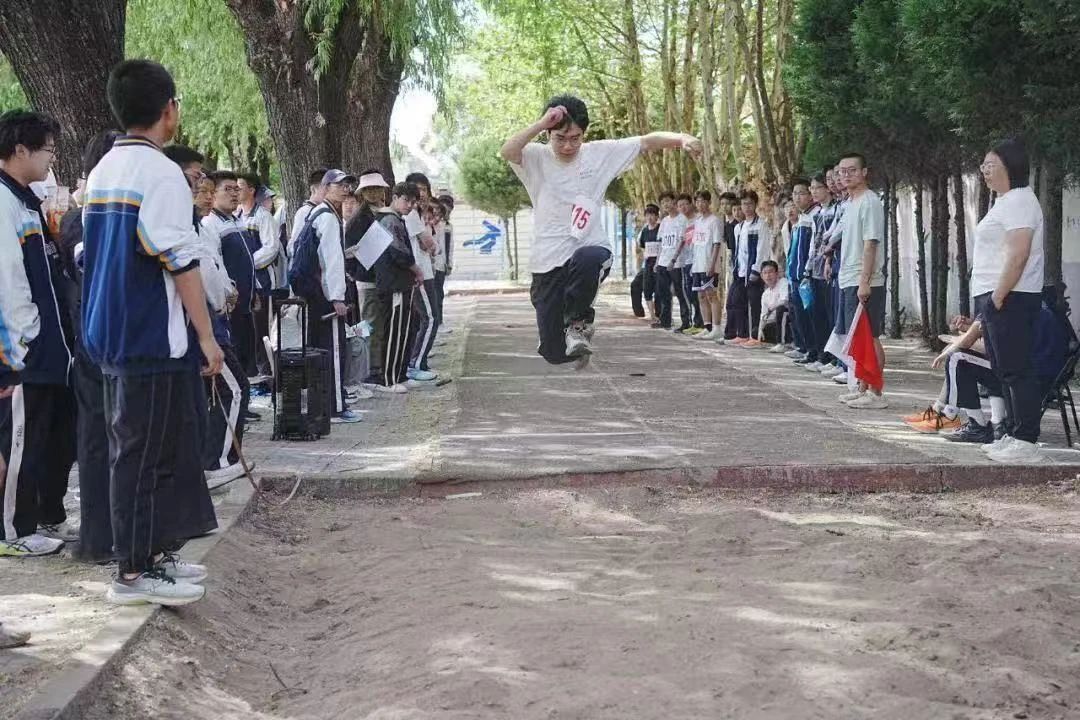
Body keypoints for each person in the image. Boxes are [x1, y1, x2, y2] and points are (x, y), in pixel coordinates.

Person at [83, 60, 222, 605]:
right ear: (169, 110)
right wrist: (206, 336)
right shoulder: (161, 173)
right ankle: (133, 572)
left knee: (149, 450)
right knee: (141, 456)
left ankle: (156, 553)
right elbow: (180, 260)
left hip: (112, 330)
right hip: (148, 334)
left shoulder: (105, 169)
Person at [501, 95, 701, 368]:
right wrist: (541, 123)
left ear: (584, 134)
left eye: (575, 138)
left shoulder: (599, 154)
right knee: (553, 353)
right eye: (560, 138)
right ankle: (573, 343)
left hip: (590, 248)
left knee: (588, 258)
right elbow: (507, 151)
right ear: (548, 134)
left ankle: (578, 324)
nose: (568, 145)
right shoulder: (535, 156)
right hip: (547, 259)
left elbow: (645, 142)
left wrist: (681, 138)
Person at [0, 110, 78, 557]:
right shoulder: (4, 203)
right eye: (47, 149)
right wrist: (21, 347)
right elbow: (9, 282)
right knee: (19, 442)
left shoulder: (28, 202)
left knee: (45, 439)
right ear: (19, 150)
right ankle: (11, 530)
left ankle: (36, 516)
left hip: (50, 349)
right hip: (25, 352)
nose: (52, 158)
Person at [64, 130, 122, 563]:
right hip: (94, 345)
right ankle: (98, 537)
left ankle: (111, 534)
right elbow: (91, 267)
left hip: (108, 341)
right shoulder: (81, 219)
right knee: (98, 440)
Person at [971, 139, 1047, 462]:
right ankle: (1013, 434)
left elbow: (1019, 254)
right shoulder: (1005, 201)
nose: (985, 171)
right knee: (1004, 369)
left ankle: (1027, 440)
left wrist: (998, 296)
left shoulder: (1020, 200)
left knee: (1017, 369)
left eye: (991, 165)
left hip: (1011, 296)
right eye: (983, 166)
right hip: (999, 295)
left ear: (1010, 166)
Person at [292, 169, 362, 423]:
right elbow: (331, 262)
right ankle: (335, 407)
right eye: (339, 185)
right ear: (325, 187)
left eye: (348, 185)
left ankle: (322, 405)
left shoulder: (317, 214)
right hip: (324, 297)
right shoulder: (329, 218)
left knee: (320, 350)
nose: (345, 190)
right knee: (333, 350)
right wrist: (337, 298)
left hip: (312, 294)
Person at [834, 152, 888, 409]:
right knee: (858, 338)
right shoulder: (850, 203)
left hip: (865, 279)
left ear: (864, 172)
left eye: (852, 170)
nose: (846, 175)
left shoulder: (870, 201)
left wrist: (865, 280)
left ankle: (876, 392)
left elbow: (870, 243)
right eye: (842, 171)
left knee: (870, 336)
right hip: (848, 277)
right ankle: (862, 387)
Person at [371, 182, 424, 392]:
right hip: (393, 285)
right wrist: (416, 269)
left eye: (413, 202)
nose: (410, 205)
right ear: (395, 197)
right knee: (394, 332)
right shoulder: (389, 220)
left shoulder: (394, 219)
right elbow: (398, 252)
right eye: (406, 200)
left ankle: (400, 374)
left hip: (401, 284)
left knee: (403, 330)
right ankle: (389, 378)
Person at [346, 170, 390, 386]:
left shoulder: (383, 213)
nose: (373, 192)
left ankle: (378, 366)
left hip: (382, 279)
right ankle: (371, 370)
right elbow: (350, 253)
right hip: (367, 280)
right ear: (362, 193)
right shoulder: (359, 219)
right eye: (369, 189)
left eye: (377, 188)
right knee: (370, 325)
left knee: (378, 325)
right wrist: (357, 273)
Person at [236, 173, 282, 380]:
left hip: (261, 283)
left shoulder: (263, 217)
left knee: (261, 329)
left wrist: (246, 264)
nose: (236, 191)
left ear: (251, 190)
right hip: (241, 284)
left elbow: (271, 248)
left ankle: (266, 370)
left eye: (239, 187)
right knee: (245, 328)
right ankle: (249, 370)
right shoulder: (236, 216)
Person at [722, 189, 770, 347]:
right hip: (740, 271)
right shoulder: (739, 227)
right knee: (737, 301)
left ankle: (755, 336)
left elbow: (762, 250)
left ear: (755, 205)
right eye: (744, 204)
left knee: (754, 305)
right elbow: (738, 251)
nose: (747, 207)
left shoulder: (761, 225)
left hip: (754, 271)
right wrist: (736, 269)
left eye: (750, 204)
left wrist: (756, 270)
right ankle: (741, 334)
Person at [403, 172, 439, 383]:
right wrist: (432, 246)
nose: (422, 194)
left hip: (427, 271)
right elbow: (428, 244)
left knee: (426, 319)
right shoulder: (412, 216)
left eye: (424, 189)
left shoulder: (421, 215)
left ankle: (419, 362)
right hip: (420, 274)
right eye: (417, 190)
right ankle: (415, 365)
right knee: (431, 318)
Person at [787, 179, 819, 361]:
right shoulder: (801, 218)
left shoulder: (814, 215)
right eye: (794, 193)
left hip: (807, 276)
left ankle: (815, 352)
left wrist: (806, 271)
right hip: (795, 275)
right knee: (798, 314)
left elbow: (812, 249)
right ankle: (805, 348)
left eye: (801, 193)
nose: (797, 197)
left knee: (811, 316)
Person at [690, 191, 723, 340]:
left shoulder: (714, 221)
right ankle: (707, 326)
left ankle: (717, 328)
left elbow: (717, 243)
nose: (700, 204)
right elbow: (695, 244)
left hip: (709, 264)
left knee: (711, 294)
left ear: (709, 202)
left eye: (703, 201)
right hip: (698, 264)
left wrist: (712, 264)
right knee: (701, 295)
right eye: (697, 201)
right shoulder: (697, 221)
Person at [653, 191, 685, 330]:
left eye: (667, 201)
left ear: (674, 202)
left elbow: (682, 241)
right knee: (663, 293)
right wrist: (657, 261)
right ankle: (665, 321)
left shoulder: (682, 219)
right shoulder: (664, 221)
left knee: (680, 292)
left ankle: (686, 322)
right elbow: (661, 243)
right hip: (663, 261)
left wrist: (674, 259)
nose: (665, 204)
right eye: (663, 202)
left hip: (676, 262)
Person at [677, 193, 704, 334]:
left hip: (698, 261)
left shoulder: (699, 219)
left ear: (691, 204)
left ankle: (702, 323)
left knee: (699, 292)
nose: (683, 207)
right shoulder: (683, 222)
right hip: (687, 261)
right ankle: (695, 322)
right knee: (689, 293)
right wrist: (674, 259)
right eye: (680, 205)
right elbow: (682, 242)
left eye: (685, 204)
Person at [289, 168, 328, 255]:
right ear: (313, 189)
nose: (328, 193)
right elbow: (295, 245)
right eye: (325, 189)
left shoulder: (324, 211)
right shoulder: (305, 212)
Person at [757, 261, 791, 346]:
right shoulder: (765, 294)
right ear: (761, 276)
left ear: (777, 273)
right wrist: (760, 331)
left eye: (770, 272)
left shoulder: (783, 282)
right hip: (775, 322)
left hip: (788, 319)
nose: (768, 276)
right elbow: (763, 315)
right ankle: (784, 340)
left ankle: (782, 344)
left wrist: (772, 307)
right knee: (756, 331)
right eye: (765, 273)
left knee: (781, 309)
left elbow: (785, 300)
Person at [637, 203, 660, 322]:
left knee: (659, 290)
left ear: (657, 216)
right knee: (647, 289)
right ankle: (652, 315)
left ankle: (661, 314)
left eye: (652, 215)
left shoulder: (660, 229)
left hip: (659, 264)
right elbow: (642, 246)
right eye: (647, 215)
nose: (650, 217)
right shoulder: (644, 231)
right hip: (648, 264)